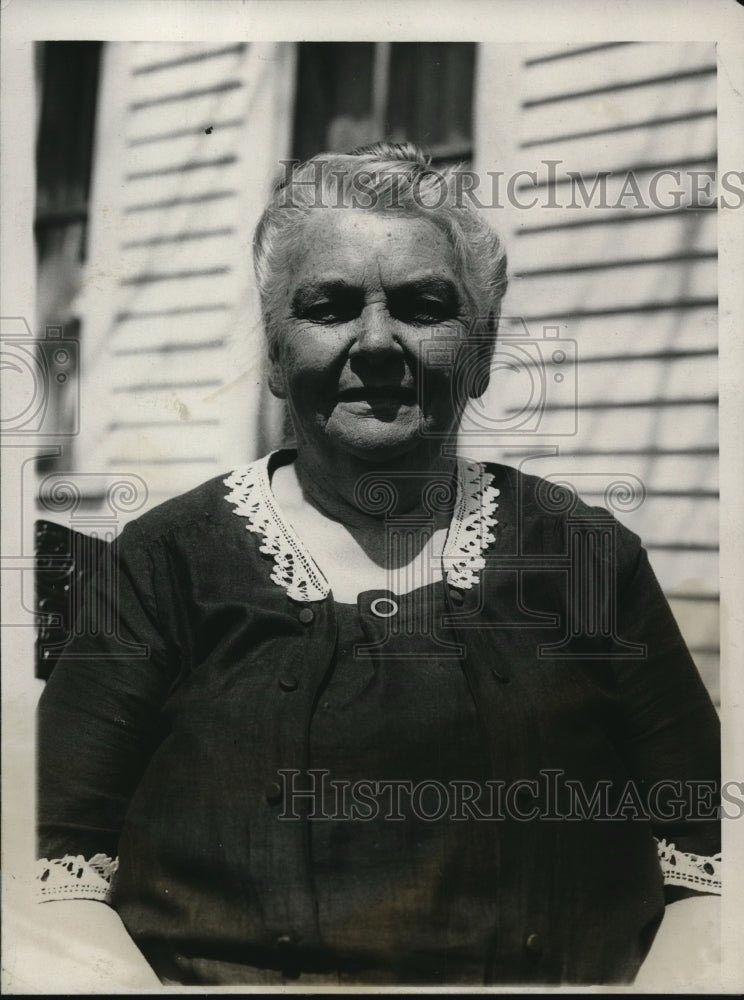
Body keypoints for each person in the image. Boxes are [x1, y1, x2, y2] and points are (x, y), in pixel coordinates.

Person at [36, 142, 721, 988]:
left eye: (423, 305)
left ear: (481, 347)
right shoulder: (158, 567)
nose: (376, 343)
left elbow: (706, 867)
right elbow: (58, 879)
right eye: (328, 307)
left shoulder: (585, 558)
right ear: (277, 354)